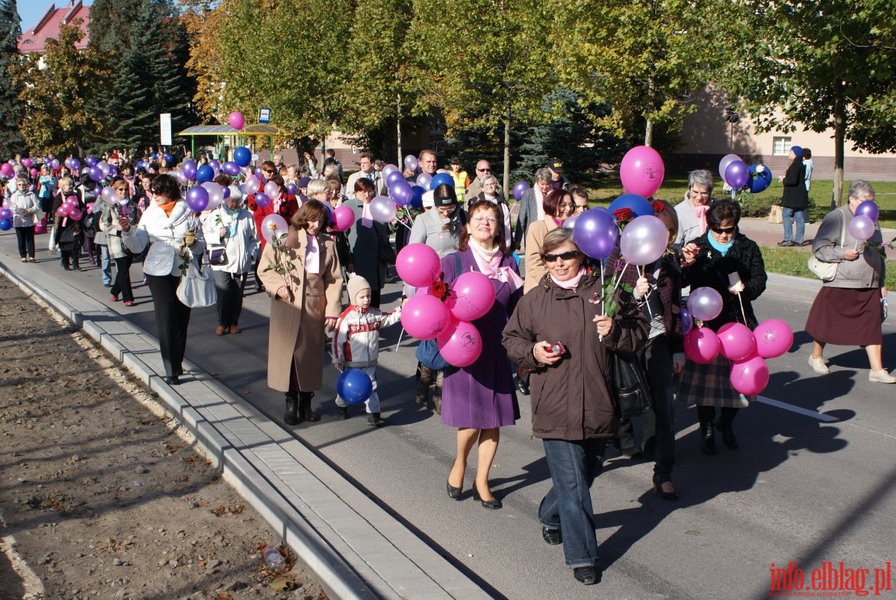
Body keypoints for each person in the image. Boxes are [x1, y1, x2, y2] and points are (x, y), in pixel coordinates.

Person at [502, 227, 648, 585]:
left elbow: (639, 333)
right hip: (553, 404)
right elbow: (512, 339)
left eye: (565, 255)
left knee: (586, 473)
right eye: (551, 258)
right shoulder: (535, 299)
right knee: (573, 486)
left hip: (600, 401)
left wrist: (614, 330)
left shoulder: (606, 292)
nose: (559, 264)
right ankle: (582, 556)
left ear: (581, 255)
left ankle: (551, 514)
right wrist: (533, 352)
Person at [442, 200, 522, 510]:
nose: (485, 222)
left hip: (497, 348)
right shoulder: (455, 262)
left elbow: (518, 309)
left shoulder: (509, 264)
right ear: (468, 225)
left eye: (492, 218)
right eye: (479, 217)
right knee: (471, 420)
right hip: (463, 349)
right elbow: (437, 305)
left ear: (500, 227)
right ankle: (460, 463)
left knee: (493, 421)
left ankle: (482, 481)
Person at [679, 200, 767, 453]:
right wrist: (687, 262)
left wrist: (746, 288)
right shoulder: (699, 246)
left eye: (729, 229)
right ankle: (706, 427)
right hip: (705, 325)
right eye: (718, 229)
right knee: (704, 385)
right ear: (711, 225)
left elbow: (760, 279)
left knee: (736, 385)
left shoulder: (746, 247)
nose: (724, 234)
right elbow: (682, 280)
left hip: (737, 323)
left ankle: (725, 423)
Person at [612, 200, 684, 499]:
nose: (662, 237)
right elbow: (611, 301)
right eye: (657, 230)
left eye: (668, 231)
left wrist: (678, 349)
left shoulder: (670, 266)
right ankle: (626, 442)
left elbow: (677, 309)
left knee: (664, 407)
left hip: (659, 341)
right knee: (625, 398)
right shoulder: (621, 260)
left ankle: (663, 471)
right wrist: (632, 293)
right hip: (630, 339)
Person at [258, 199, 344, 425]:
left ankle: (306, 401)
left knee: (308, 357)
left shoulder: (328, 244)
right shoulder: (285, 237)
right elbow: (265, 268)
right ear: (303, 217)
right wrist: (277, 286)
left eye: (320, 220)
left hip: (314, 307)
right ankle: (290, 401)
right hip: (287, 305)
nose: (316, 224)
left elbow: (334, 280)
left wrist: (333, 310)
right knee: (288, 355)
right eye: (312, 219)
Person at [120, 174, 206, 386]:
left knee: (181, 317)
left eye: (159, 191)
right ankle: (170, 367)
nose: (155, 195)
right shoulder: (150, 212)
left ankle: (177, 361)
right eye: (153, 191)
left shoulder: (188, 210)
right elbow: (139, 244)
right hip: (157, 269)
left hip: (183, 267)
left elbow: (201, 245)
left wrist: (193, 242)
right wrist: (127, 231)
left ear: (170, 191)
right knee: (166, 317)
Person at [805, 181, 893, 383]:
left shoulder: (872, 216)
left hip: (869, 282)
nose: (870, 206)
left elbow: (880, 251)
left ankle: (877, 370)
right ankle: (815, 356)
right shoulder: (837, 217)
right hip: (841, 281)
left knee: (872, 325)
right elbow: (819, 247)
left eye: (872, 202)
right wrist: (842, 253)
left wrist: (882, 281)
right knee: (827, 323)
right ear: (852, 199)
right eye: (865, 201)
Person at [408, 184, 466, 411]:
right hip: (431, 286)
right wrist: (409, 293)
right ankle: (424, 380)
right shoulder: (423, 220)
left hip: (456, 284)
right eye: (442, 209)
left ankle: (442, 388)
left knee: (451, 333)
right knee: (432, 334)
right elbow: (413, 255)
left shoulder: (460, 217)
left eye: (450, 208)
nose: (446, 213)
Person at [331, 275, 403, 426]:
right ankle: (341, 406)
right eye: (362, 296)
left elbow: (388, 318)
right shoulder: (346, 318)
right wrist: (337, 359)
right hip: (351, 364)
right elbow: (337, 339)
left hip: (370, 362)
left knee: (371, 387)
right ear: (353, 297)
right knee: (348, 387)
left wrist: (402, 310)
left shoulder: (374, 314)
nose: (366, 299)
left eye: (368, 295)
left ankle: (373, 413)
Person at [203, 184, 259, 336]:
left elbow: (254, 239)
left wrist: (251, 253)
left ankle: (233, 322)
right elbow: (205, 235)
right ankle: (222, 322)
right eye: (231, 201)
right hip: (221, 261)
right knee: (223, 292)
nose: (234, 204)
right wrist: (218, 235)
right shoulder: (216, 215)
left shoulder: (246, 216)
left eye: (237, 201)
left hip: (241, 261)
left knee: (237, 294)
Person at [347, 177, 395, 308]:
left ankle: (374, 323)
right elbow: (343, 235)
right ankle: (357, 325)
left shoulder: (378, 205)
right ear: (356, 192)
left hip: (376, 259)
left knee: (374, 295)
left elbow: (386, 229)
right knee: (358, 293)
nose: (367, 195)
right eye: (363, 192)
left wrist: (393, 224)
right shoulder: (349, 207)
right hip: (357, 258)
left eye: (369, 191)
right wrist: (347, 259)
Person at [524, 189, 576, 293]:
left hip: (568, 286)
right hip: (542, 288)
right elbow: (533, 262)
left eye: (571, 205)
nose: (568, 209)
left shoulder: (573, 229)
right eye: (563, 205)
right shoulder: (537, 227)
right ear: (552, 205)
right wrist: (552, 282)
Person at [100, 177, 140, 306]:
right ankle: (128, 298)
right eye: (120, 189)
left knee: (125, 268)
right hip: (116, 242)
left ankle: (115, 291)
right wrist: (115, 229)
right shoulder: (110, 205)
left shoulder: (133, 205)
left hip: (130, 240)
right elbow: (102, 224)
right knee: (123, 268)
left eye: (125, 189)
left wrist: (132, 228)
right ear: (115, 191)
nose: (123, 192)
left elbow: (139, 221)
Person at [467, 173, 511, 246]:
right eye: (486, 185)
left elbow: (507, 224)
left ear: (495, 185)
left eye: (492, 184)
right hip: (480, 242)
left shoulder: (502, 203)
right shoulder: (476, 203)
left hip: (499, 242)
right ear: (482, 188)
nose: (490, 186)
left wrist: (508, 245)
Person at [778, 145, 809, 247]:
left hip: (792, 196)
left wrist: (784, 179)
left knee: (786, 215)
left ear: (795, 153)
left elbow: (792, 180)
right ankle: (799, 240)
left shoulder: (795, 165)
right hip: (800, 196)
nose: (789, 154)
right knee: (799, 217)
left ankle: (788, 239)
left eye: (790, 152)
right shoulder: (800, 164)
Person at [674, 169, 715, 247]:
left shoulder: (718, 207)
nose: (699, 197)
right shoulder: (678, 212)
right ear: (689, 189)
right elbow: (675, 245)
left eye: (704, 193)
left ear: (710, 193)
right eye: (695, 192)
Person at [514, 167, 551, 251]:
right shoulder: (528, 194)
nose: (545, 187)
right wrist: (517, 239)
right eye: (542, 184)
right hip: (533, 236)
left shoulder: (554, 195)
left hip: (550, 236)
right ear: (537, 182)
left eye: (547, 184)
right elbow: (521, 218)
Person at [6, 175, 42, 262]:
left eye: (23, 184)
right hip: (19, 220)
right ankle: (23, 255)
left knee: (30, 238)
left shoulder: (31, 194)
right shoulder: (14, 196)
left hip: (29, 219)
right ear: (17, 186)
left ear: (26, 185)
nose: (21, 186)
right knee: (21, 239)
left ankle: (31, 256)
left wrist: (29, 211)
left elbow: (37, 205)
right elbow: (12, 207)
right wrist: (20, 211)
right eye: (19, 185)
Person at [51, 176, 83, 270]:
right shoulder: (59, 197)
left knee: (75, 245)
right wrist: (61, 212)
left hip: (74, 224)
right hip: (63, 226)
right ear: (62, 186)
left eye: (71, 184)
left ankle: (76, 264)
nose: (70, 186)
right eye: (67, 185)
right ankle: (65, 263)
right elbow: (55, 210)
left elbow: (81, 205)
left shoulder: (75, 195)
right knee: (64, 246)